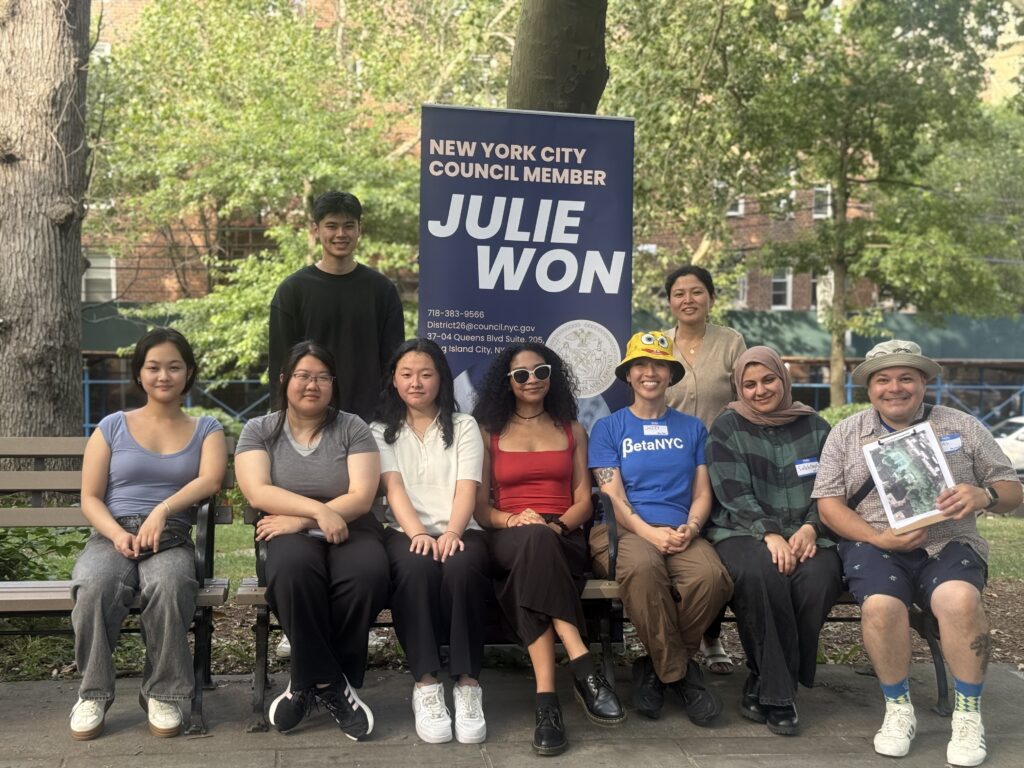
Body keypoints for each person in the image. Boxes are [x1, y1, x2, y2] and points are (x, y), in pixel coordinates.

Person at [814, 340, 1022, 767]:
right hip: (875, 544)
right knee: (882, 606)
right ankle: (898, 709)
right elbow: (829, 504)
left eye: (906, 377)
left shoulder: (963, 426)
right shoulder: (847, 433)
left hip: (949, 542)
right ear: (869, 388)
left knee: (959, 599)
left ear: (923, 382)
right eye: (883, 379)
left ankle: (968, 715)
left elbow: (1012, 490)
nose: (895, 387)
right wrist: (877, 539)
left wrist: (982, 495)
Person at [70, 328, 227, 741]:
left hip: (171, 535)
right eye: (153, 367)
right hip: (111, 534)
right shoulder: (112, 426)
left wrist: (163, 509)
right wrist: (116, 534)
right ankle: (93, 693)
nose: (163, 376)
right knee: (94, 585)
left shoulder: (206, 427)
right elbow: (89, 498)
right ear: (139, 373)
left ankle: (165, 693)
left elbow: (211, 479)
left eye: (174, 367)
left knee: (172, 584)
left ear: (188, 373)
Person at [473, 343, 624, 757]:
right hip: (508, 535)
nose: (531, 379)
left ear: (552, 375)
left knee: (536, 560)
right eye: (520, 374)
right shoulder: (489, 431)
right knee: (533, 544)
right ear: (507, 382)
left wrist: (555, 525)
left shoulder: (572, 428)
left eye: (540, 371)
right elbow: (481, 508)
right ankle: (580, 662)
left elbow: (584, 500)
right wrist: (515, 520)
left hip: (562, 535)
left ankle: (546, 704)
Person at [235, 341, 389, 739]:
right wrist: (317, 514)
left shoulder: (352, 427)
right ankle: (331, 684)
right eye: (303, 375)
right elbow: (257, 491)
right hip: (283, 527)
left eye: (322, 377)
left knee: (367, 574)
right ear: (285, 379)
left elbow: (361, 496)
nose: (312, 385)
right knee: (291, 571)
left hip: (351, 524)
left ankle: (304, 679)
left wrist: (304, 519)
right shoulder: (260, 430)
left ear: (333, 384)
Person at [589, 331, 733, 724]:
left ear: (671, 374)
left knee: (712, 577)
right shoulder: (608, 428)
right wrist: (649, 533)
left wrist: (691, 525)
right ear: (629, 375)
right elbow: (612, 495)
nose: (649, 373)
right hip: (622, 531)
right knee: (642, 569)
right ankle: (682, 675)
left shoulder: (692, 429)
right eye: (640, 365)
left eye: (658, 365)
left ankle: (654, 669)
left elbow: (702, 492)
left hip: (680, 528)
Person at [705, 346, 842, 736]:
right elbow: (732, 491)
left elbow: (832, 487)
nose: (760, 390)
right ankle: (780, 695)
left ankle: (763, 680)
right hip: (740, 531)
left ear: (783, 379)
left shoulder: (815, 427)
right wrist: (769, 532)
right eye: (749, 384)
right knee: (761, 573)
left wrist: (812, 527)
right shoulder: (727, 427)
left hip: (808, 532)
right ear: (738, 388)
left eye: (768, 380)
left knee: (817, 578)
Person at [371, 339, 491, 745]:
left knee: (463, 568)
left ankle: (468, 684)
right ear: (394, 380)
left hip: (461, 529)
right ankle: (425, 685)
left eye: (425, 374)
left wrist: (454, 532)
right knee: (415, 568)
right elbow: (394, 489)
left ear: (441, 378)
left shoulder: (464, 426)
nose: (416, 383)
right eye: (406, 374)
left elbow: (467, 488)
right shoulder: (379, 431)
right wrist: (419, 534)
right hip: (405, 532)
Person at [663, 264, 747, 674]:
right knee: (680, 546)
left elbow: (746, 399)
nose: (688, 300)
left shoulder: (731, 342)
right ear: (669, 302)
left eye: (696, 292)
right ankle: (677, 639)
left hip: (722, 462)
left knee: (717, 547)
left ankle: (712, 639)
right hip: (670, 465)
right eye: (679, 293)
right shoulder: (657, 344)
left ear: (710, 297)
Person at [268, 190, 404, 421]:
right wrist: (282, 420)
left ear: (359, 229)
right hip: (308, 420)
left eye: (348, 226)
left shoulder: (382, 290)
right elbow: (280, 367)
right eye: (331, 226)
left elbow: (393, 365)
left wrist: (389, 418)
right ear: (315, 230)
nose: (341, 234)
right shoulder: (292, 291)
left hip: (370, 422)